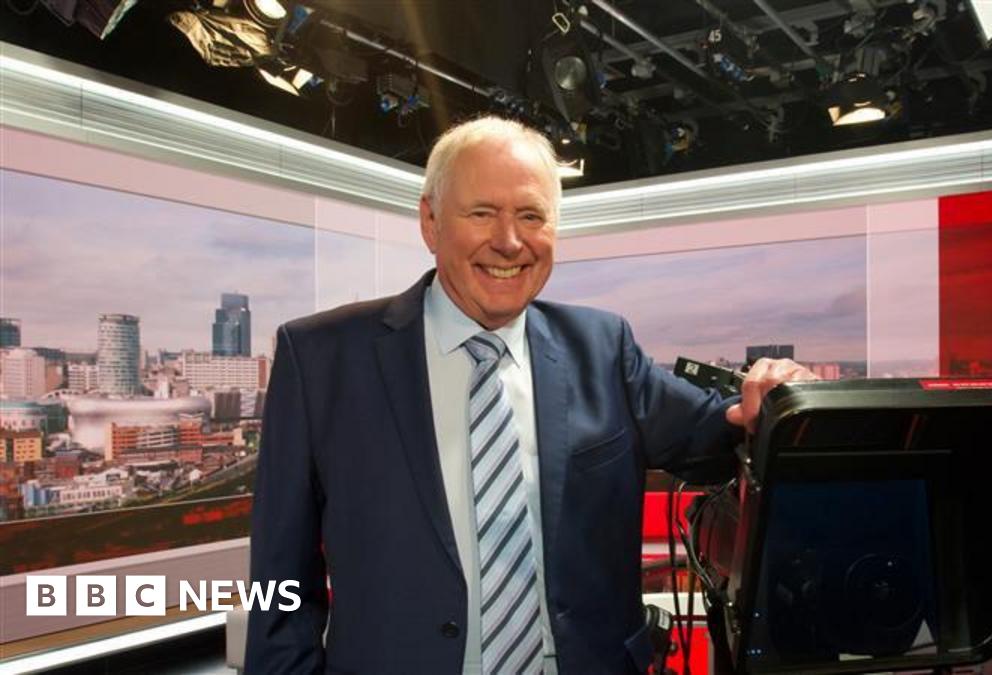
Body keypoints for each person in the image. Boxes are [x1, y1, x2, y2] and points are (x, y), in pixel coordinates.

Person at [245, 116, 814, 674]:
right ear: (430, 221)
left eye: (530, 216)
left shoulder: (602, 346)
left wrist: (777, 405)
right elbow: (278, 578)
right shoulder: (320, 358)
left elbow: (713, 436)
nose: (509, 240)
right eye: (483, 213)